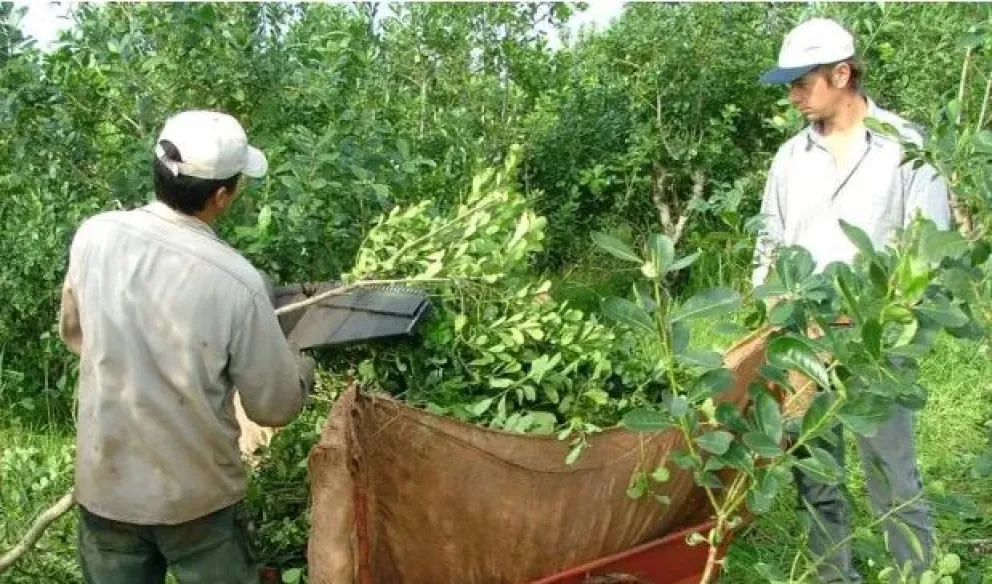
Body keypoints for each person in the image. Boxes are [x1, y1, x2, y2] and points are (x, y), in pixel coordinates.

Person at [58, 110, 316, 584]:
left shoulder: (94, 236)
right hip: (198, 500)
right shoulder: (237, 281)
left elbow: (76, 334)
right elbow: (274, 407)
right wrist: (301, 366)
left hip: (107, 485)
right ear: (221, 196)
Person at [751, 18, 952, 584]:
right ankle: (833, 577)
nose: (792, 96)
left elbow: (928, 249)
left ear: (842, 74)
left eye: (801, 82)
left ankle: (915, 576)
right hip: (802, 341)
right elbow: (769, 243)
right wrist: (774, 310)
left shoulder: (905, 147)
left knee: (892, 475)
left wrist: (870, 314)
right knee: (815, 476)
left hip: (876, 343)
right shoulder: (790, 159)